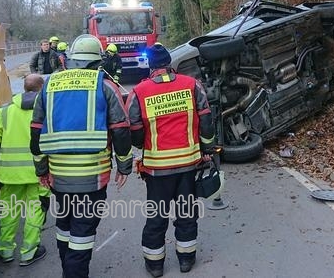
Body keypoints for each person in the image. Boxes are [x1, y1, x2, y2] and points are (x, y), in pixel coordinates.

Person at [30, 35, 133, 278]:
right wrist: (124, 167)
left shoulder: (49, 85)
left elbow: (35, 132)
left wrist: (42, 170)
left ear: (71, 59)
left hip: (58, 176)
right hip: (92, 177)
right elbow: (120, 130)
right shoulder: (106, 86)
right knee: (83, 233)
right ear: (98, 61)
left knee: (64, 225)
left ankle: (68, 268)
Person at [126, 44, 215, 277]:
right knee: (186, 213)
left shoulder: (139, 91)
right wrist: (207, 148)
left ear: (150, 66)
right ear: (170, 63)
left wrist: (141, 145)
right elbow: (206, 120)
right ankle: (186, 260)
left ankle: (155, 265)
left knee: (156, 216)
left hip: (157, 169)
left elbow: (134, 128)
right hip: (188, 164)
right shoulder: (192, 84)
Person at [0, 74, 48, 266]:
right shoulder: (47, 109)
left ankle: (5, 251)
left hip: (10, 174)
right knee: (35, 210)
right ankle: (29, 252)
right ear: (42, 88)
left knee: (9, 212)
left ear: (24, 88)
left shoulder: (5, 110)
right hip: (38, 172)